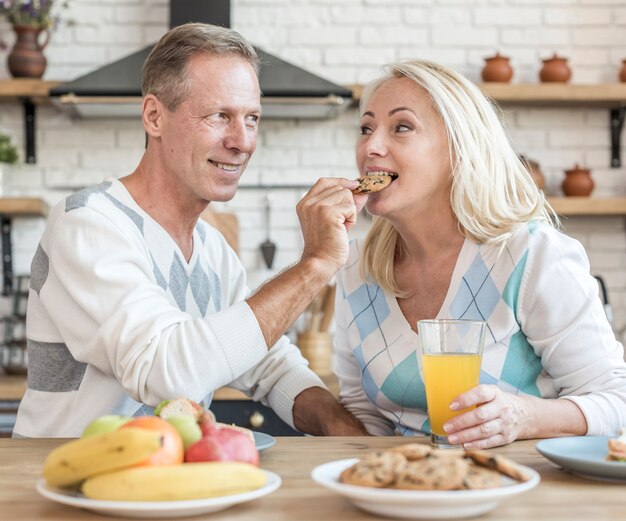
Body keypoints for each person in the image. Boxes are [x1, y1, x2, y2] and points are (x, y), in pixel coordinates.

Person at [14, 23, 369, 438]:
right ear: (154, 117)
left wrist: (346, 431)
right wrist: (315, 265)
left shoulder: (211, 248)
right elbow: (169, 373)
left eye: (251, 118)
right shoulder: (88, 224)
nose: (243, 141)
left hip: (169, 489)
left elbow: (269, 365)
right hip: (64, 488)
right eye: (220, 116)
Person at [334, 59, 626, 448]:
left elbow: (616, 401)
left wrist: (523, 418)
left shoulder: (532, 254)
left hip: (519, 489)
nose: (371, 146)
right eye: (365, 128)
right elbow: (361, 410)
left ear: (459, 149)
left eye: (401, 127)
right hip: (406, 490)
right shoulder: (356, 265)